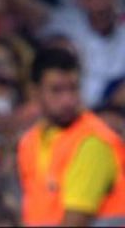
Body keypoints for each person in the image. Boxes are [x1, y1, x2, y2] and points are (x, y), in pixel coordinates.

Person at [18, 46, 125, 226]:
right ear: (34, 92)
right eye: (57, 90)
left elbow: (75, 222)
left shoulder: (92, 141)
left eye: (73, 88)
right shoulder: (29, 142)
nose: (68, 100)